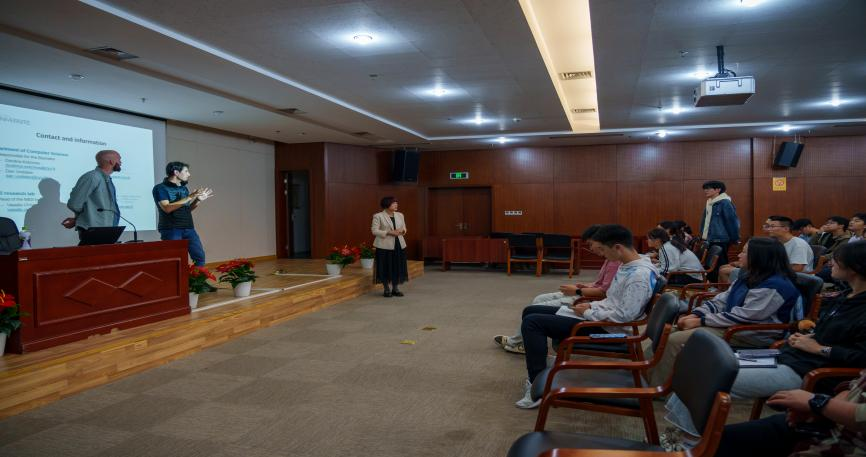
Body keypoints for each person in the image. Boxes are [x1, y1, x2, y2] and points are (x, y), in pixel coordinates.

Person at [662, 241, 866, 444]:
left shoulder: (860, 307)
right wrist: (807, 336)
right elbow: (829, 333)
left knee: (706, 378)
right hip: (787, 355)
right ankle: (680, 436)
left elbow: (860, 357)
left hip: (806, 369)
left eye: (837, 260)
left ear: (855, 267)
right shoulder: (844, 297)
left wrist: (821, 349)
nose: (830, 263)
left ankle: (690, 443)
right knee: (701, 367)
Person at [515, 224, 659, 408]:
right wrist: (590, 305)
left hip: (610, 330)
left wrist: (588, 311)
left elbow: (624, 316)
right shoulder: (628, 265)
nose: (602, 255)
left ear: (617, 247)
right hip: (599, 318)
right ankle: (540, 364)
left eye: (603, 250)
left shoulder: (638, 275)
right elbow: (613, 301)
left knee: (532, 323)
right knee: (531, 311)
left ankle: (537, 385)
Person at [648, 237, 802, 385]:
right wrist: (696, 314)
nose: (739, 255)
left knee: (675, 340)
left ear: (759, 257)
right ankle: (646, 374)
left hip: (750, 333)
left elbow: (745, 317)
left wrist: (701, 321)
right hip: (732, 325)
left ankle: (658, 387)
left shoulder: (775, 286)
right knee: (667, 332)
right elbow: (721, 300)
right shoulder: (749, 275)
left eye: (744, 252)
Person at [492, 224, 621, 354]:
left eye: (591, 244)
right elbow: (601, 284)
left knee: (536, 308)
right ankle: (524, 341)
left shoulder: (614, 262)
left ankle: (518, 342)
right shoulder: (609, 259)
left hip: (587, 300)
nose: (590, 248)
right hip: (586, 294)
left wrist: (577, 291)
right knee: (539, 299)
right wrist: (584, 285)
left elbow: (604, 293)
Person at [715, 370, 866, 457]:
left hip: (850, 445)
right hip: (829, 423)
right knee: (721, 441)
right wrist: (823, 410)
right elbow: (853, 385)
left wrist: (818, 403)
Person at [152, 162, 213, 267]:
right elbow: (167, 208)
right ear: (176, 172)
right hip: (171, 229)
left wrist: (197, 200)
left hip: (188, 228)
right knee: (175, 260)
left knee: (199, 257)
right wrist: (190, 197)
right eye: (186, 171)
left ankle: (199, 278)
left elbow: (187, 210)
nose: (189, 174)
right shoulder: (160, 188)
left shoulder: (183, 188)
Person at [62, 150, 123, 241]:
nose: (121, 162)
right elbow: (74, 204)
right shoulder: (92, 177)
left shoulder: (106, 179)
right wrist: (85, 217)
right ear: (111, 161)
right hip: (94, 230)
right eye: (119, 159)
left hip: (107, 230)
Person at [698, 180, 740, 281]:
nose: (705, 190)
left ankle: (720, 286)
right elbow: (705, 222)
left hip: (720, 239)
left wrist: (735, 238)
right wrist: (702, 235)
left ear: (718, 189)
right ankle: (712, 284)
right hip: (709, 238)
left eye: (708, 188)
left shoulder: (725, 203)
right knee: (711, 266)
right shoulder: (709, 202)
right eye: (705, 189)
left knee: (719, 265)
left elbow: (732, 222)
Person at [371, 196, 408, 297]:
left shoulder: (400, 215)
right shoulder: (378, 216)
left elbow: (404, 228)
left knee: (397, 266)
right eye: (393, 203)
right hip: (384, 246)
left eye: (396, 203)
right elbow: (374, 231)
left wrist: (402, 231)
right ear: (387, 204)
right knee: (385, 267)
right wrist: (389, 232)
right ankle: (386, 289)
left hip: (399, 245)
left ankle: (395, 288)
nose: (396, 205)